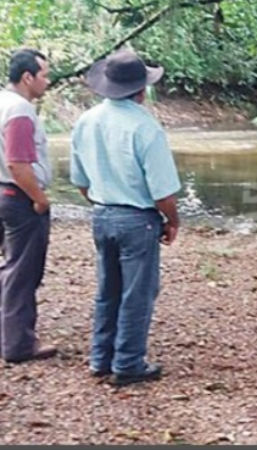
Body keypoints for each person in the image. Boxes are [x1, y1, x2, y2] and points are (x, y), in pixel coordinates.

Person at [70, 49, 180, 386]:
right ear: (141, 90)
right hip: (137, 219)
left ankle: (101, 358)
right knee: (138, 293)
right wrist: (172, 220)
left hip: (102, 215)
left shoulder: (85, 121)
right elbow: (163, 191)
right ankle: (129, 364)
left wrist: (106, 202)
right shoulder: (146, 127)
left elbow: (81, 182)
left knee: (109, 289)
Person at [0, 49, 57, 363]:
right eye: (44, 75)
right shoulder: (20, 110)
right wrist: (39, 198)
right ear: (27, 77)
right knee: (22, 271)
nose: (46, 81)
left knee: (10, 267)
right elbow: (18, 163)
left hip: (3, 192)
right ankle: (19, 344)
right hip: (18, 197)